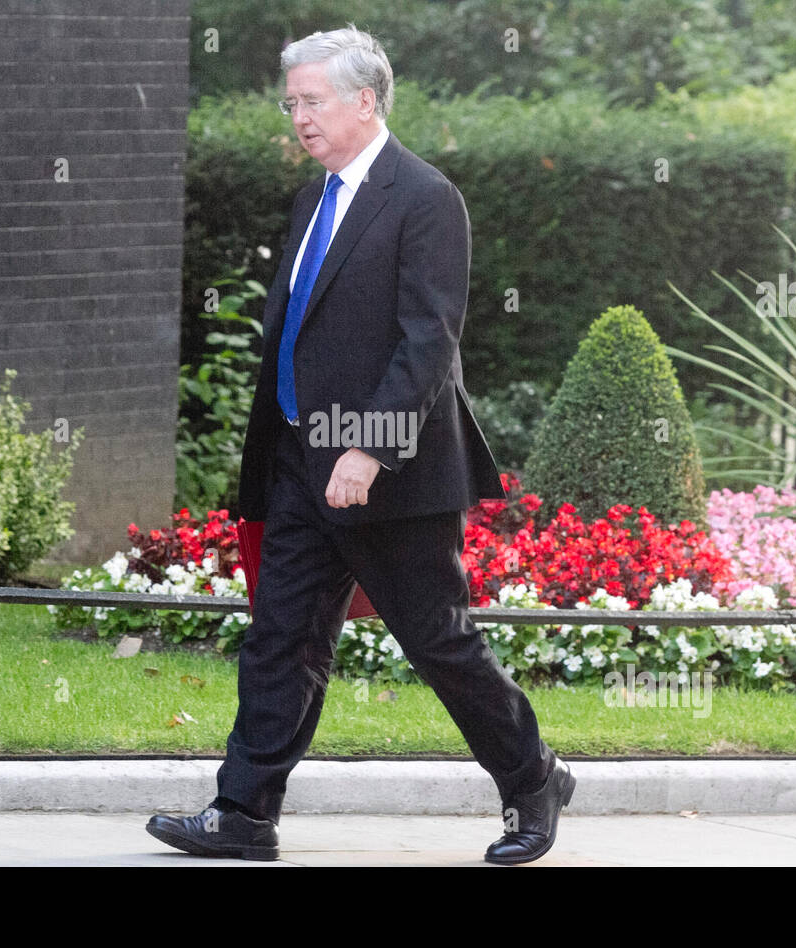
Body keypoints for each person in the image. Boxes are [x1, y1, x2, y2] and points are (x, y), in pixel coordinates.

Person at [146, 24, 572, 865]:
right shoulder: (316, 196)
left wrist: (369, 449)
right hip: (303, 463)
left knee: (439, 640)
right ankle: (244, 814)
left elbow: (429, 341)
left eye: (312, 100)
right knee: (283, 635)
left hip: (391, 472)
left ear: (365, 100)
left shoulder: (424, 197)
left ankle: (532, 780)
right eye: (291, 101)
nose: (297, 116)